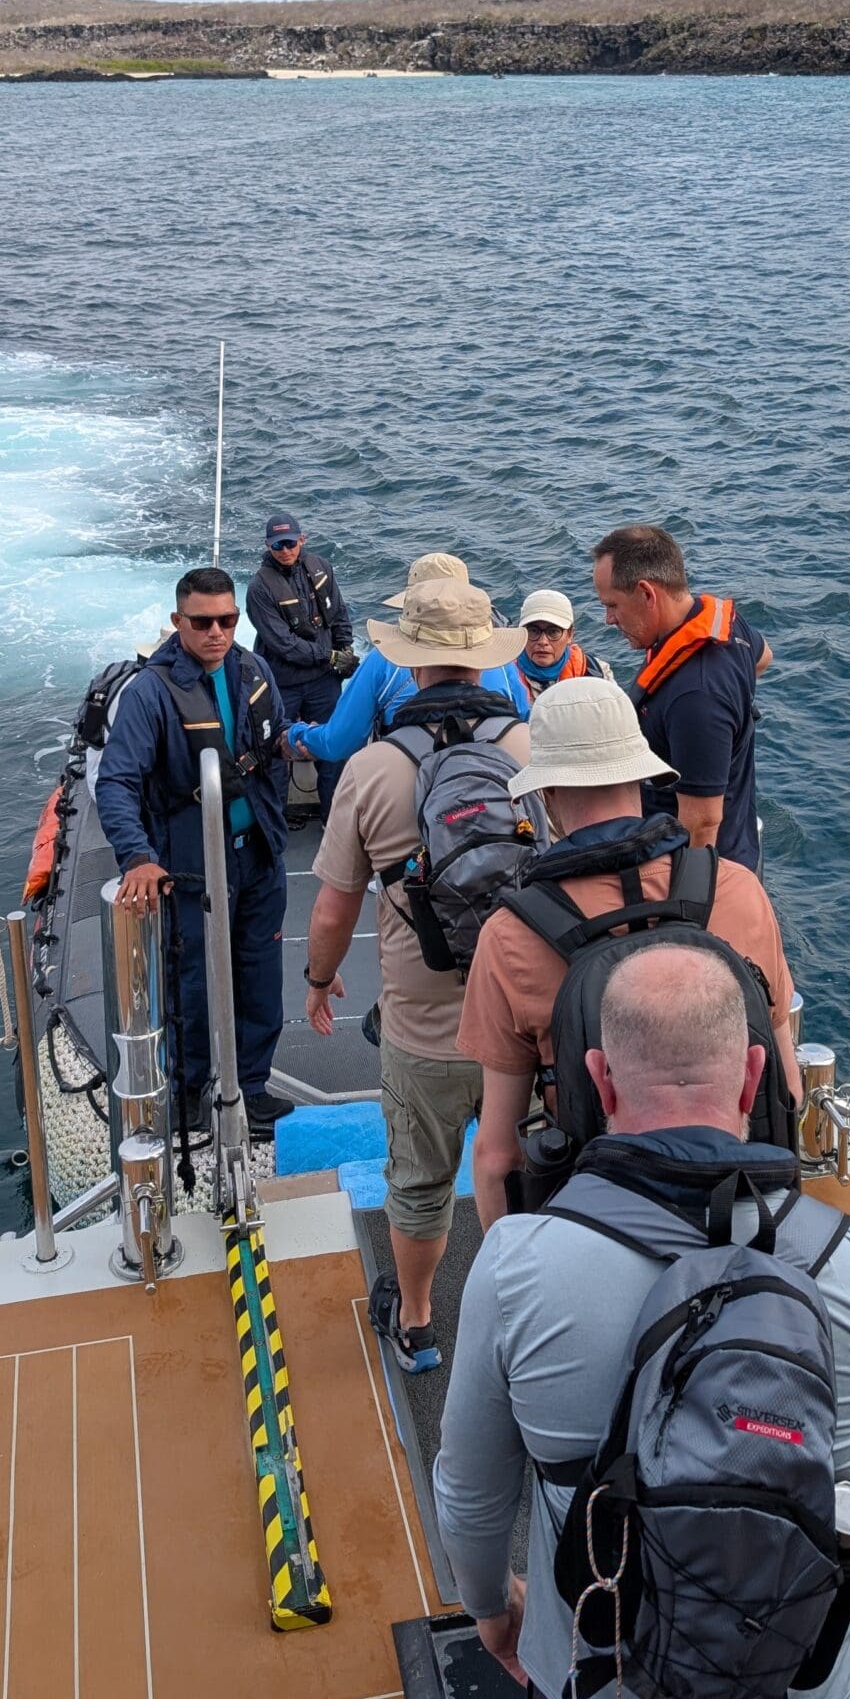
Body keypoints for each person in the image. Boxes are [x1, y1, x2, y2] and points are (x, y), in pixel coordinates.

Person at [435, 941, 850, 1699]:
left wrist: (492, 1610)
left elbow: (471, 1496)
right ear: (752, 1077)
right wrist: (820, 1609)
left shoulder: (518, 1263)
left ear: (597, 1082)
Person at [461, 673, 801, 1227]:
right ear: (641, 775)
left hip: (595, 1221)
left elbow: (497, 1155)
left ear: (546, 796)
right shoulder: (737, 889)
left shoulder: (509, 935)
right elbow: (787, 1085)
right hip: (741, 1215)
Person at [301, 577, 532, 1370]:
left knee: (421, 1183)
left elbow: (333, 910)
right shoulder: (536, 751)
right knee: (529, 1175)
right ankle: (526, 1325)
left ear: (412, 665)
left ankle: (419, 1327)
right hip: (528, 1018)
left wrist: (318, 978)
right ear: (484, 661)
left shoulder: (371, 769)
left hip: (423, 1023)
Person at [95, 566, 294, 1136]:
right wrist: (138, 856)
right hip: (189, 865)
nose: (217, 632)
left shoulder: (254, 671)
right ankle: (185, 1092)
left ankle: (252, 1087)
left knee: (259, 974)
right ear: (178, 621)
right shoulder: (151, 694)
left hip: (257, 853)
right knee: (192, 982)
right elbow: (116, 782)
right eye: (203, 621)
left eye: (227, 620)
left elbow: (275, 737)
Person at [593, 523, 771, 869]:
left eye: (613, 605)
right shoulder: (729, 627)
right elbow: (764, 657)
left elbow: (702, 822)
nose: (608, 619)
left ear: (647, 594)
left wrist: (684, 910)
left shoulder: (696, 696)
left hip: (704, 872)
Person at [289, 551, 529, 770]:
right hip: (492, 793)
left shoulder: (382, 662)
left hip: (407, 787)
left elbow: (337, 744)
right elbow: (524, 721)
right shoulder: (504, 665)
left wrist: (299, 733)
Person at [245, 514, 355, 814]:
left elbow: (340, 617)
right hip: (282, 685)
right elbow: (283, 644)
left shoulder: (322, 568)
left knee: (334, 748)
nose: (284, 550)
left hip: (324, 683)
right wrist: (329, 656)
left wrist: (345, 650)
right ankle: (276, 823)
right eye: (277, 545)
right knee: (278, 755)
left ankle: (333, 818)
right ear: (268, 546)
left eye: (290, 543)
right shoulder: (258, 589)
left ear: (301, 540)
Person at [508, 589, 610, 710]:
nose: (543, 641)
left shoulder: (597, 673)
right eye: (533, 631)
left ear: (570, 635)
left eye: (553, 632)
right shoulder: (503, 678)